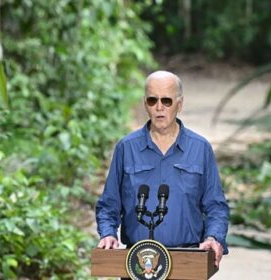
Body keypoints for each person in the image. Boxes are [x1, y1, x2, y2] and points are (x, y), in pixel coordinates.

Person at [96, 70, 229, 268]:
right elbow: (109, 204)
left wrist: (213, 237)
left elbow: (216, 206)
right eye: (152, 100)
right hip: (136, 262)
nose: (159, 108)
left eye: (166, 101)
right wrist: (108, 234)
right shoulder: (127, 147)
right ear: (145, 104)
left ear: (179, 104)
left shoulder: (200, 148)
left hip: (187, 260)